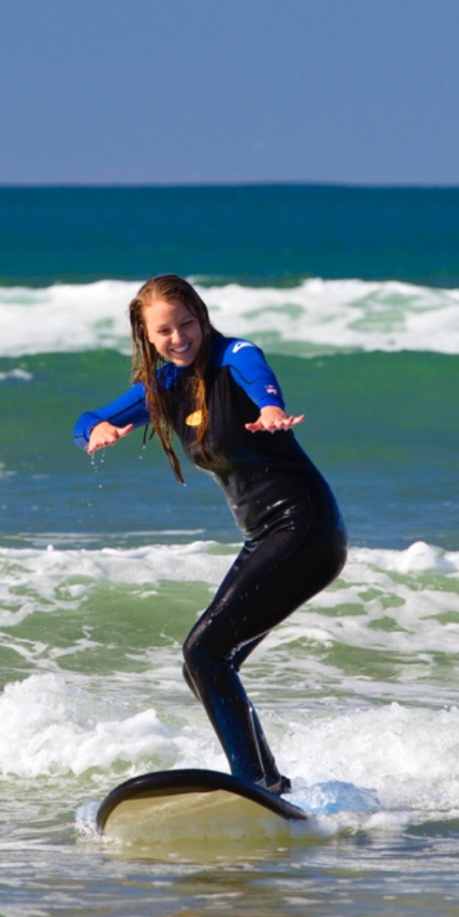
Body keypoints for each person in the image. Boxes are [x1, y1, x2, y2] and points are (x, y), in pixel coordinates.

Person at [74, 274, 347, 795]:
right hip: (266, 537)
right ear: (146, 336)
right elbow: (89, 418)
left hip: (305, 527)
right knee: (204, 665)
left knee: (204, 655)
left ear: (201, 317)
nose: (179, 338)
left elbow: (257, 375)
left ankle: (255, 784)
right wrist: (96, 431)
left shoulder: (234, 355)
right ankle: (269, 783)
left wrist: (270, 409)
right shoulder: (166, 384)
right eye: (164, 331)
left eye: (187, 324)